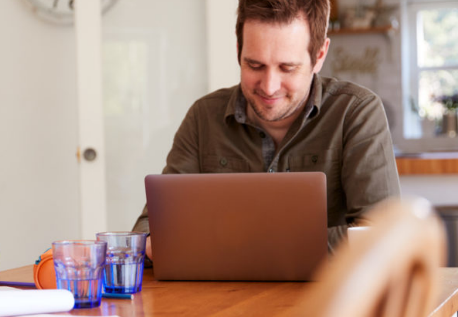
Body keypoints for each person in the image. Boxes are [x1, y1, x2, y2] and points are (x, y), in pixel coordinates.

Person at [132, 0, 400, 258]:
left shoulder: (356, 112)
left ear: (319, 56)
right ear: (239, 51)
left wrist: (242, 247)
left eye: (287, 68)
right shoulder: (203, 117)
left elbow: (383, 237)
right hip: (223, 300)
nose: (269, 87)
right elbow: (148, 231)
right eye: (255, 65)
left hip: (332, 301)